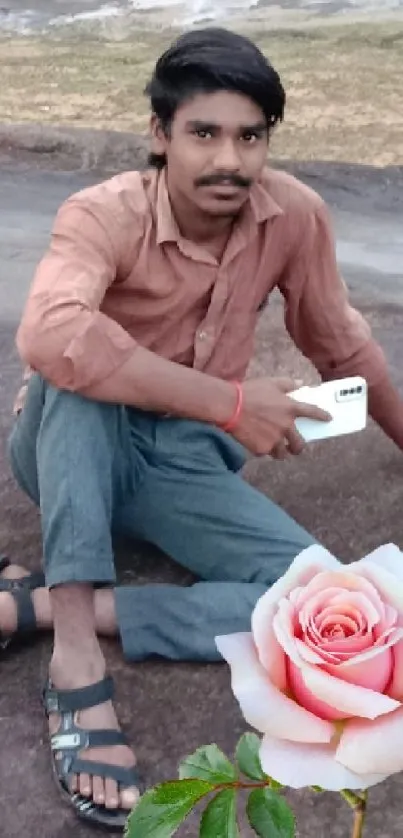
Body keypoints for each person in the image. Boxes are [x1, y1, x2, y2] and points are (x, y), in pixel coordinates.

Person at [4, 25, 403, 832]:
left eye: (249, 136)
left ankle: (36, 607)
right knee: (81, 370)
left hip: (182, 462)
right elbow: (53, 336)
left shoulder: (292, 215)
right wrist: (231, 404)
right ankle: (75, 658)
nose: (228, 159)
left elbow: (338, 341)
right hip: (71, 448)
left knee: (314, 606)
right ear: (160, 136)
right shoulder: (102, 213)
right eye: (204, 133)